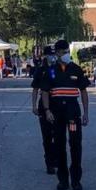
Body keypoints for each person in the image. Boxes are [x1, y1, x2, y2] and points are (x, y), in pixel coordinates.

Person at [42, 39, 90, 190]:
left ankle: (76, 181)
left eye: (67, 52)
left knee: (75, 145)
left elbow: (83, 91)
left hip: (72, 112)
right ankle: (63, 180)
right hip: (57, 113)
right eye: (63, 52)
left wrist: (85, 113)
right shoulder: (51, 71)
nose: (66, 55)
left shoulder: (76, 69)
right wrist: (47, 110)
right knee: (59, 146)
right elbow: (44, 91)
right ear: (56, 53)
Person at [31, 46, 57, 175]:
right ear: (44, 56)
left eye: (54, 54)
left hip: (58, 104)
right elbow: (35, 89)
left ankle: (56, 158)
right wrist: (34, 105)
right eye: (50, 55)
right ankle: (49, 162)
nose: (52, 57)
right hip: (44, 105)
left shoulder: (59, 68)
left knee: (58, 134)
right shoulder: (40, 70)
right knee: (47, 135)